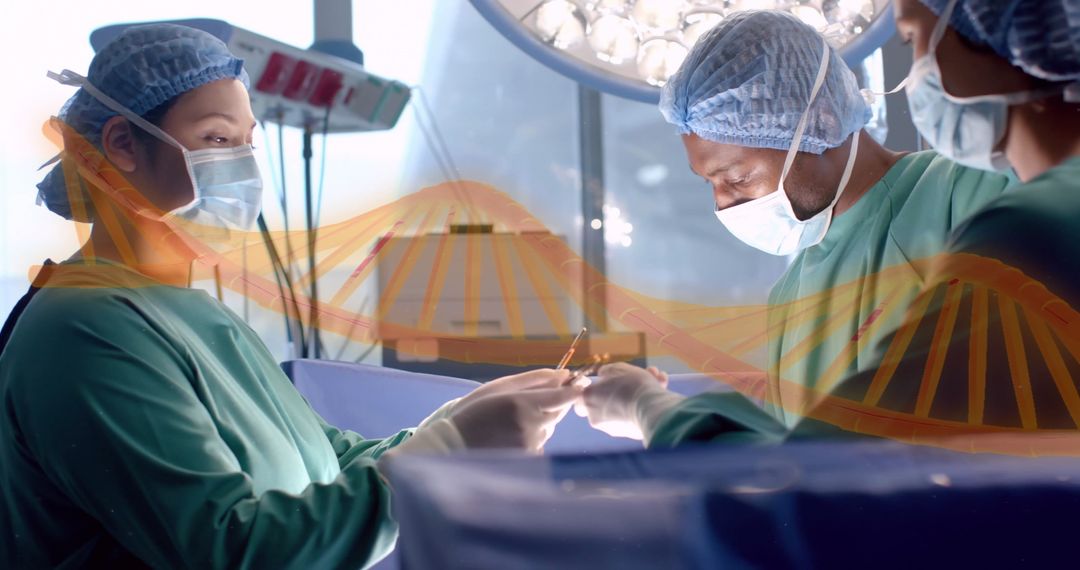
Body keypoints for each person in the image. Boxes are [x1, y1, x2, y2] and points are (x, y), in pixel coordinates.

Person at [0, 24, 582, 569]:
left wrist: (461, 420)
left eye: (248, 142)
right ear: (123, 143)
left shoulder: (189, 311)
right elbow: (234, 549)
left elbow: (323, 460)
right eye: (216, 138)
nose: (243, 164)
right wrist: (445, 454)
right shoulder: (85, 329)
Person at [582, 0, 1080, 453]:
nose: (723, 203)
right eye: (709, 183)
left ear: (816, 119)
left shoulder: (983, 193)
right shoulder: (791, 294)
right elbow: (796, 467)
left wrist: (648, 408)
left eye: (736, 178)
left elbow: (822, 482)